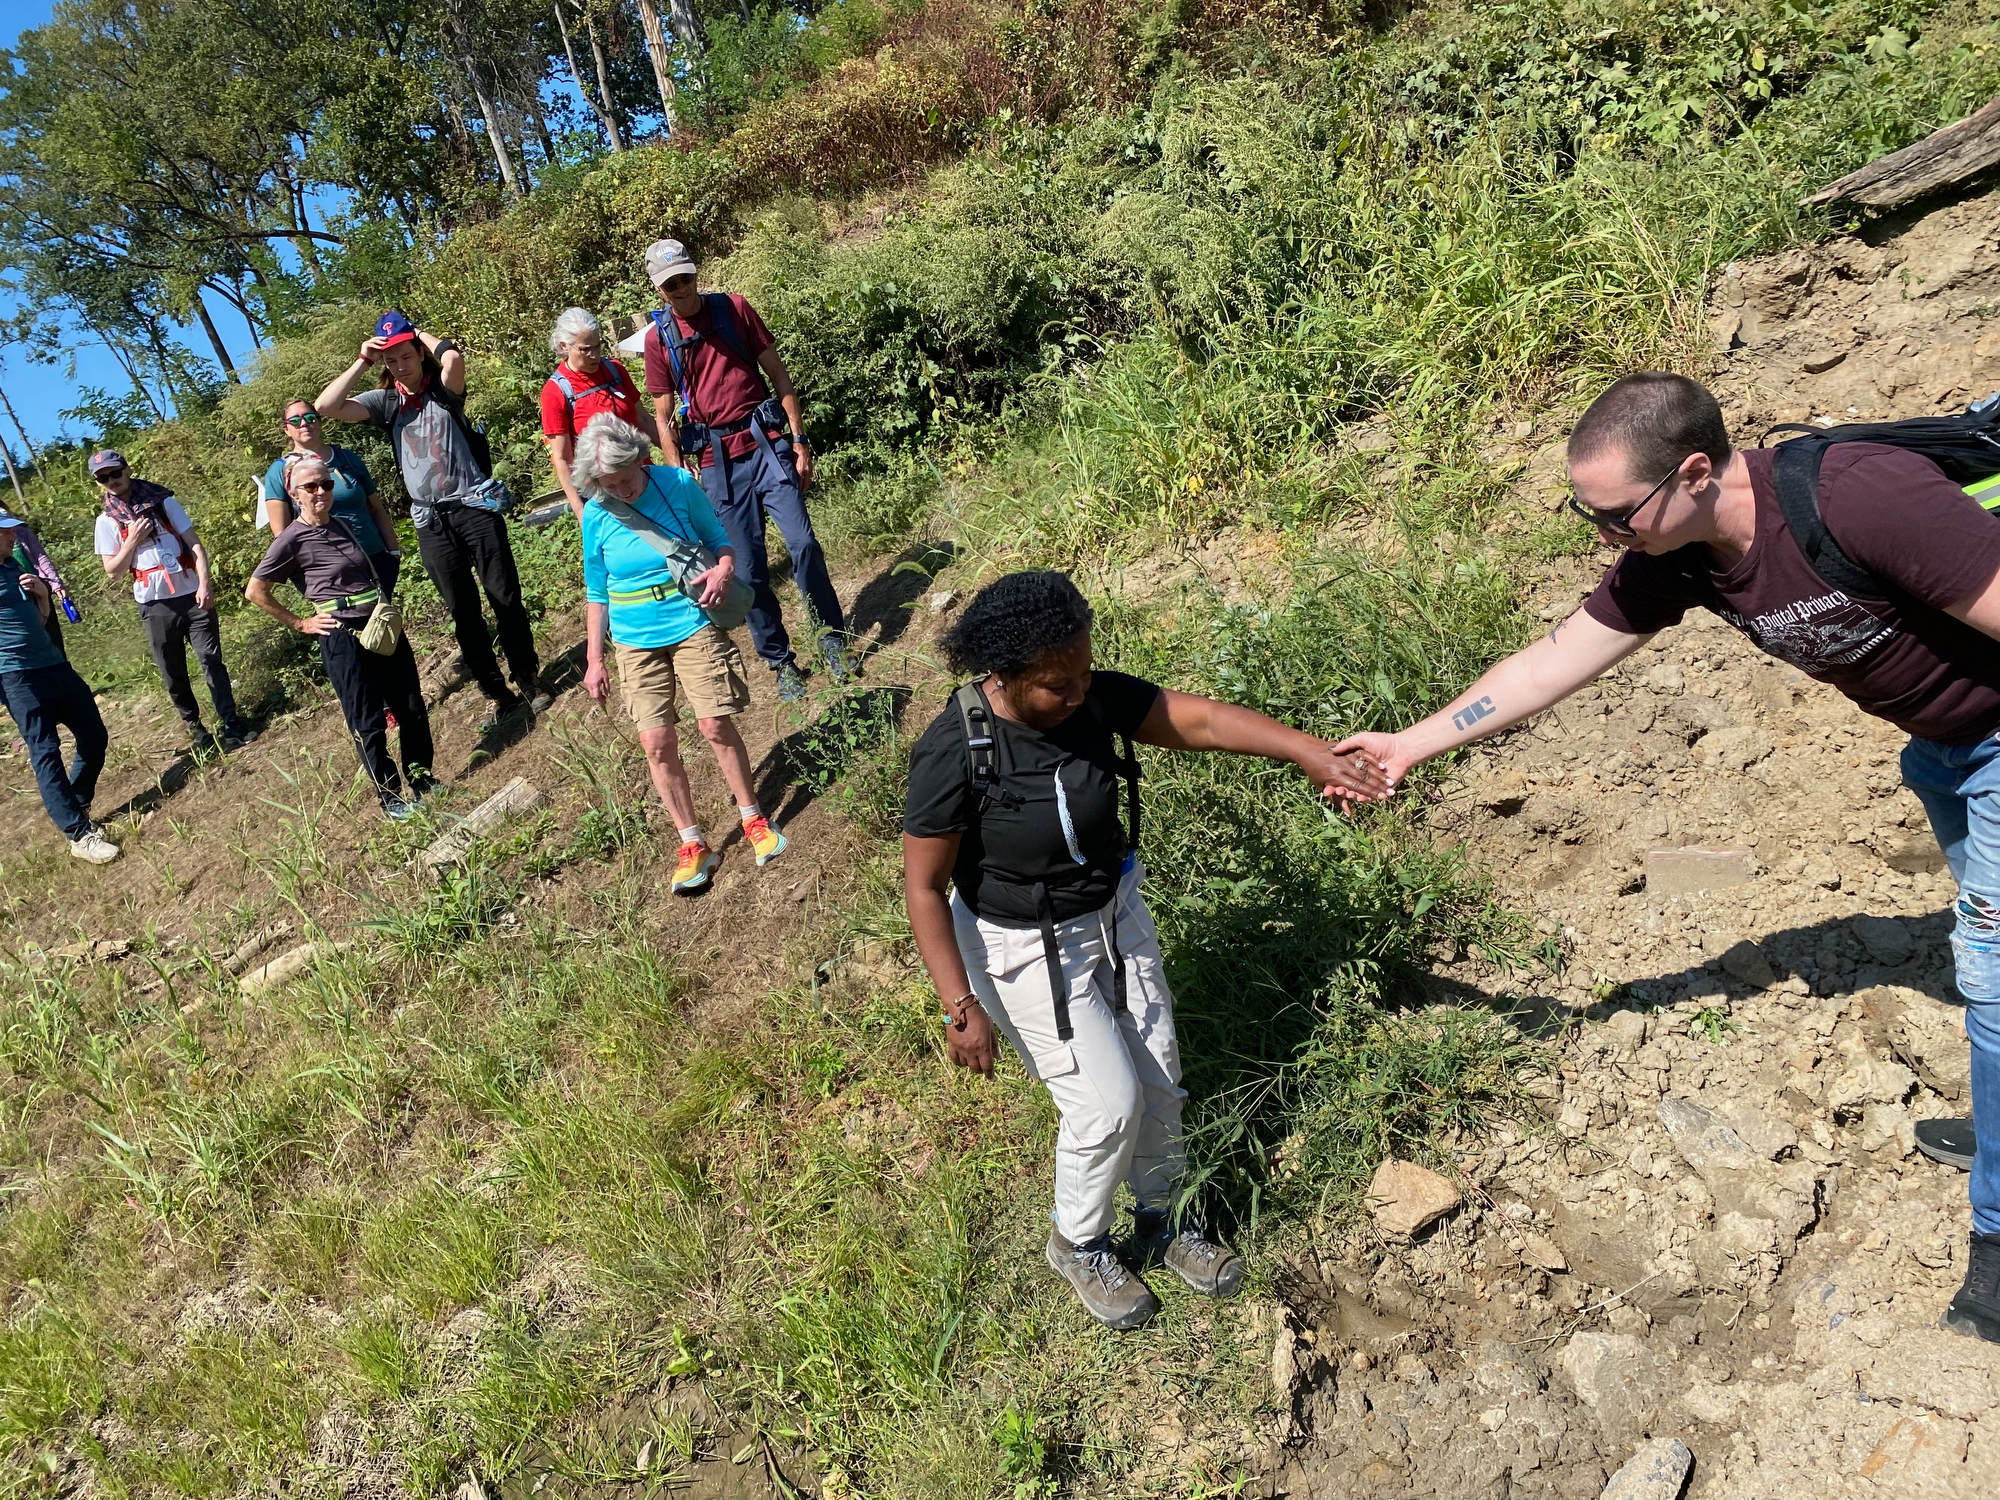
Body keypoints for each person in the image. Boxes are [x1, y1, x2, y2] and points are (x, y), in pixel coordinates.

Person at [1333, 372, 2000, 1348]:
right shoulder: (1678, 555)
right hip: (1943, 754)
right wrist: (1406, 745)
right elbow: (1550, 659)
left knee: (1987, 969)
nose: (1600, 535)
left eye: (1612, 514)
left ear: (1692, 472)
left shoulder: (1857, 495)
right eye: (1584, 512)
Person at [902, 571, 1389, 1329]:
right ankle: (1079, 1241)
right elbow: (925, 889)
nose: (1076, 696)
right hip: (1024, 946)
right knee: (1105, 1106)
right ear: (1003, 675)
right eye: (1055, 686)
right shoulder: (956, 750)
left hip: (1113, 913)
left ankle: (1166, 1219)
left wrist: (1305, 751)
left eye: (1084, 673)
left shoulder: (1089, 693)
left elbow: (1194, 721)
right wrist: (959, 1004)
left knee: (1160, 1081)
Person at [571, 414, 786, 893]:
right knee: (656, 742)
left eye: (624, 480)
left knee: (714, 723)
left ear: (641, 460)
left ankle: (753, 818)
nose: (620, 491)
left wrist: (723, 570)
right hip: (633, 639)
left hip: (691, 621)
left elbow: (720, 542)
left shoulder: (676, 484)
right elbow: (596, 590)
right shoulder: (598, 512)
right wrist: (594, 659)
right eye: (607, 484)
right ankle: (692, 843)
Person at [315, 311, 549, 729]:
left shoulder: (443, 391)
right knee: (463, 610)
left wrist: (416, 333)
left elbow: (455, 360)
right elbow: (326, 407)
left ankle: (527, 677)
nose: (400, 366)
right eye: (392, 361)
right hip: (431, 523)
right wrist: (364, 360)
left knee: (504, 596)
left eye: (405, 356)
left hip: (475, 508)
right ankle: (497, 691)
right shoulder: (386, 404)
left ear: (420, 355)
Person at [641, 238, 848, 701]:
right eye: (670, 283)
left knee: (804, 544)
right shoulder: (660, 340)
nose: (680, 288)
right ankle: (780, 661)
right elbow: (662, 415)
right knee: (748, 572)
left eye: (685, 278)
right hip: (716, 463)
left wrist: (799, 439)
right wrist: (677, 476)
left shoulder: (734, 309)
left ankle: (832, 640)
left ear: (697, 273)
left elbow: (778, 374)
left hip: (766, 445)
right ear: (659, 289)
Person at [245, 458, 437, 822]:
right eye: (311, 487)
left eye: (326, 485)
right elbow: (256, 591)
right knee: (367, 720)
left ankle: (423, 780)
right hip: (341, 635)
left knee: (410, 705)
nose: (321, 492)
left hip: (380, 624)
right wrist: (300, 623)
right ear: (293, 494)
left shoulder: (345, 524)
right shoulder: (290, 540)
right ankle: (390, 797)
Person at [90, 449, 257, 755]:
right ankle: (195, 729)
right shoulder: (106, 522)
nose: (111, 481)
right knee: (172, 670)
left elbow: (195, 545)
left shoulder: (163, 501)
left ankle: (232, 724)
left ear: (127, 470)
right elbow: (113, 571)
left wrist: (205, 584)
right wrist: (132, 541)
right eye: (103, 478)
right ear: (99, 483)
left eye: (115, 473)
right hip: (154, 604)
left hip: (192, 595)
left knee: (210, 659)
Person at [0, 506, 116, 863]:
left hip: (52, 662)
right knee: (45, 748)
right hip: (14, 674)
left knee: (94, 735)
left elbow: (40, 619)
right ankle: (78, 835)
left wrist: (42, 595)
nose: (13, 536)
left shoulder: (13, 567)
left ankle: (77, 802)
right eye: (5, 532)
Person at [260, 399, 404, 598]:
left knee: (387, 623)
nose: (304, 423)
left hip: (375, 557)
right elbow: (282, 535)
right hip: (332, 570)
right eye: (295, 420)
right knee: (354, 627)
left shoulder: (347, 458)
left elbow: (376, 509)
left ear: (319, 422)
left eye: (310, 417)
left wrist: (393, 552)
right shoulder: (280, 471)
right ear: (286, 429)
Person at [542, 307, 657, 520]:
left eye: (597, 346)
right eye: (585, 349)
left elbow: (643, 419)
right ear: (564, 346)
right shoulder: (555, 392)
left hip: (644, 479)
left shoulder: (614, 370)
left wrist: (676, 458)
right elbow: (562, 457)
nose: (594, 355)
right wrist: (579, 509)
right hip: (607, 494)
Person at [8, 514, 76, 657]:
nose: (10, 535)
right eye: (5, 531)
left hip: (38, 590)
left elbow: (40, 557)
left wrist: (56, 584)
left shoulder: (21, 530)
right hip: (15, 598)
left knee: (53, 639)